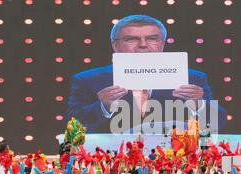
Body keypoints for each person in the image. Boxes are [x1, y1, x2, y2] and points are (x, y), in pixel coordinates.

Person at [65, 14, 227, 134]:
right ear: (115, 45)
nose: (143, 45)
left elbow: (218, 122)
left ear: (162, 43)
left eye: (152, 38)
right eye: (131, 39)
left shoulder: (193, 78)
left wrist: (199, 104)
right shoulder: (87, 79)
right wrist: (104, 107)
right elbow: (71, 127)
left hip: (174, 162)